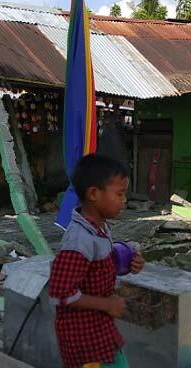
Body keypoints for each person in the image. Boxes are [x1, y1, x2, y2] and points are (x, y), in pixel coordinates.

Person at [49, 153, 145, 368]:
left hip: (101, 331)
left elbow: (99, 267)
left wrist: (129, 263)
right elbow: (59, 294)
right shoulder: (79, 240)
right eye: (119, 194)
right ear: (94, 193)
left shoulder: (99, 229)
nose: (124, 200)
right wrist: (107, 304)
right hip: (83, 340)